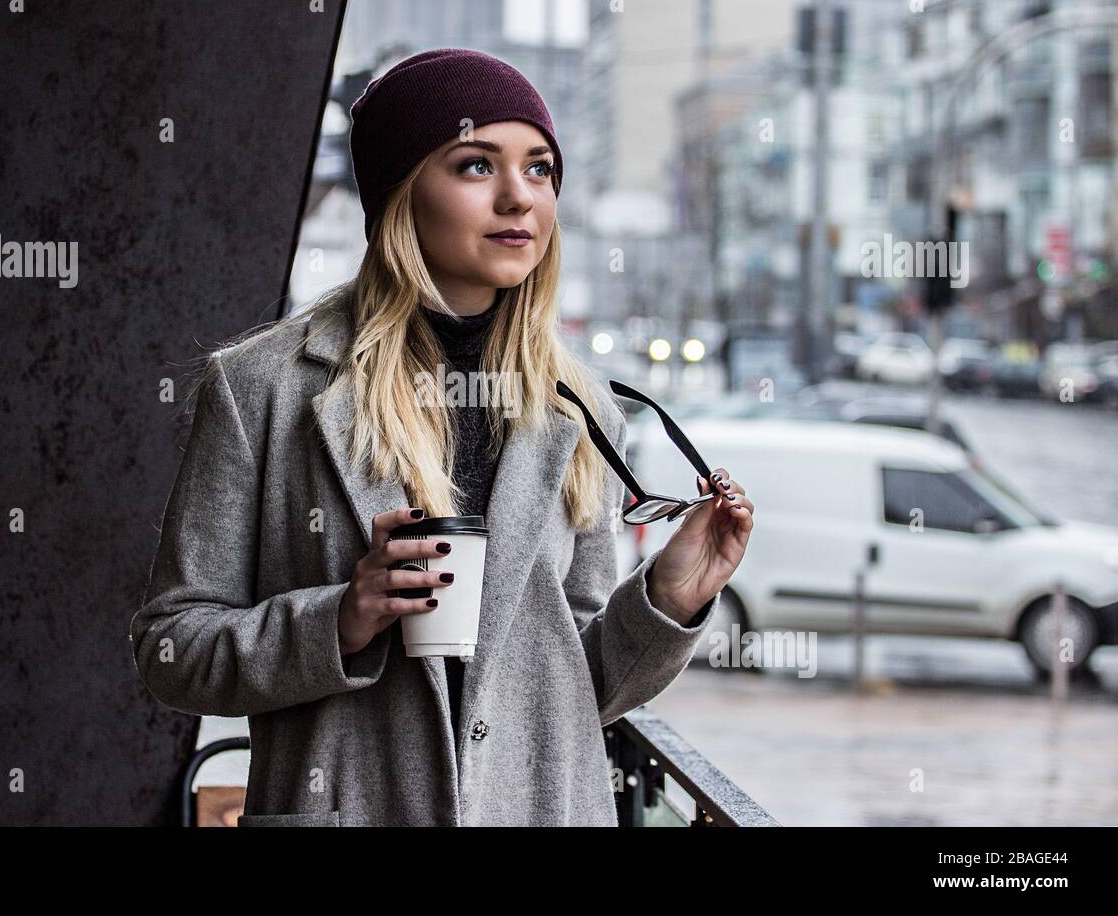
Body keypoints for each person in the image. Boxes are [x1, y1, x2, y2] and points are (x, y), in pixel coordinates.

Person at [130, 48, 755, 826]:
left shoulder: (581, 407)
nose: (517, 198)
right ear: (399, 194)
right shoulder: (264, 388)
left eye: (540, 169)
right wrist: (342, 620)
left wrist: (668, 597)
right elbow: (172, 647)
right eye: (474, 166)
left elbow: (574, 689)